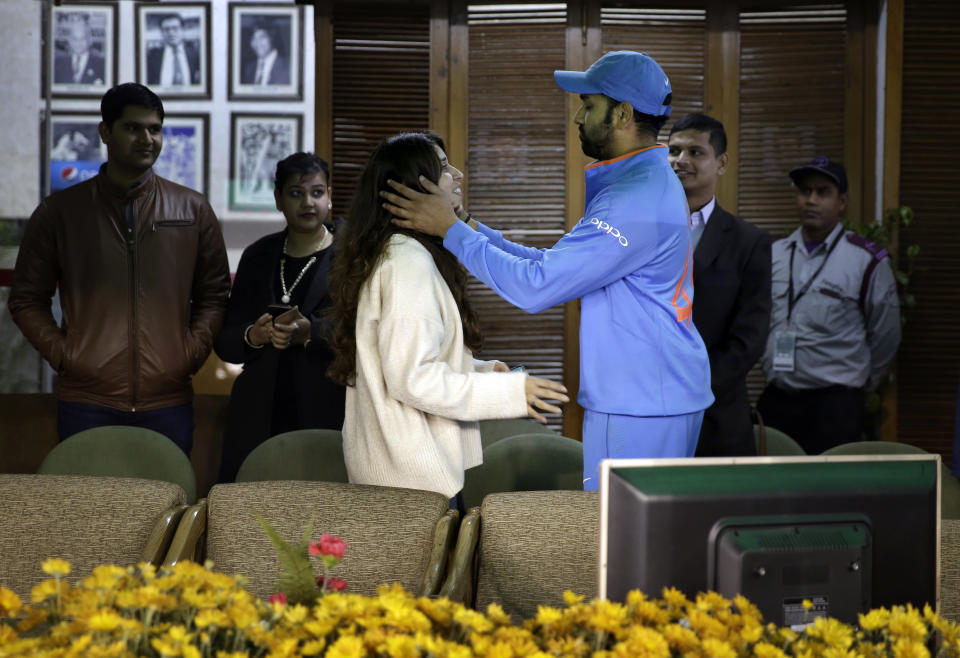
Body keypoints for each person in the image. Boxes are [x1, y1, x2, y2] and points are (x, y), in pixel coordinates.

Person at [382, 51, 713, 490]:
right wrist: (464, 226)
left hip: (641, 402)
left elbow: (537, 286)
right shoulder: (635, 182)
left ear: (623, 113)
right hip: (650, 393)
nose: (578, 116)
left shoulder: (634, 198)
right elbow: (551, 263)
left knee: (624, 540)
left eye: (589, 105)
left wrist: (450, 231)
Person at [327, 132, 568, 505]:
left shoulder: (399, 253)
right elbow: (414, 379)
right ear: (413, 190)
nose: (458, 174)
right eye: (442, 168)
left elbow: (411, 361)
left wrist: (487, 374)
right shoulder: (408, 263)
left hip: (403, 477)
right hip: (410, 485)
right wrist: (510, 394)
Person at [8, 83, 230, 454]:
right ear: (105, 132)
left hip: (168, 400)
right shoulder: (61, 212)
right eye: (132, 128)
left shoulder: (192, 210)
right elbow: (26, 300)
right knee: (90, 509)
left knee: (167, 506)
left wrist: (187, 354)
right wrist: (68, 357)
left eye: (155, 129)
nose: (147, 138)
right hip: (87, 400)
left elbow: (214, 296)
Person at [214, 152, 345, 482]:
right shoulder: (258, 255)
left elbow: (365, 332)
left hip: (329, 408)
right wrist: (252, 336)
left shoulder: (349, 256)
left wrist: (311, 332)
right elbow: (227, 341)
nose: (308, 203)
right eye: (296, 193)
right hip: (259, 410)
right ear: (278, 198)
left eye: (317, 192)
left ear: (330, 196)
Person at [757, 156, 901, 454]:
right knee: (773, 493)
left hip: (834, 405)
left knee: (828, 496)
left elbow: (886, 335)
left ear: (842, 202)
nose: (811, 200)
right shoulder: (774, 254)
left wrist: (858, 382)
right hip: (778, 398)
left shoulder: (866, 259)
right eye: (804, 191)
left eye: (822, 192)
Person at [667, 113, 772, 456]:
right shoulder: (640, 230)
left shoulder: (748, 241)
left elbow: (749, 338)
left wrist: (690, 386)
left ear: (721, 163)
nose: (681, 161)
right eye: (674, 151)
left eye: (695, 152)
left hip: (718, 415)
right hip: (649, 411)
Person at [146, 13, 200, 86]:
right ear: (161, 32)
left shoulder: (195, 54)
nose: (171, 33)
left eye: (175, 28)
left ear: (183, 30)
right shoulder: (151, 56)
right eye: (166, 29)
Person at [53, 16, 105, 85]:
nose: (78, 43)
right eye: (75, 38)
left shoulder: (101, 65)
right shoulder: (57, 63)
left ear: (89, 40)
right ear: (69, 40)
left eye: (82, 38)